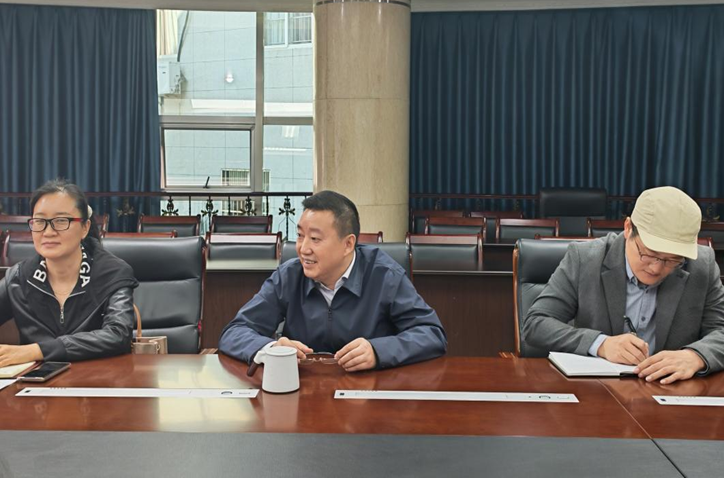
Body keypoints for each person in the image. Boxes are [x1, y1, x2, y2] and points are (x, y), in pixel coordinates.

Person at [219, 190, 447, 372]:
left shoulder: (385, 275)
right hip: (303, 392)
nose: (303, 248)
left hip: (369, 394)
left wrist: (378, 351)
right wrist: (269, 348)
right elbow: (235, 332)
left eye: (315, 238)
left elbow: (431, 333)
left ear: (348, 244)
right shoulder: (289, 276)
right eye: (300, 236)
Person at [523, 186, 724, 384]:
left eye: (672, 260)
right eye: (649, 254)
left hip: (670, 389)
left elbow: (720, 330)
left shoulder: (701, 266)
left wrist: (696, 356)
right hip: (599, 389)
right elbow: (536, 323)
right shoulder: (585, 259)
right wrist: (600, 344)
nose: (656, 268)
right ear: (628, 228)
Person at [0, 179, 138, 367]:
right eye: (40, 221)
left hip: (98, 378)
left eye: (61, 221)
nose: (48, 232)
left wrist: (36, 351)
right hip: (34, 382)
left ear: (85, 228)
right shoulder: (18, 278)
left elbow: (117, 334)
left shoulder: (112, 274)